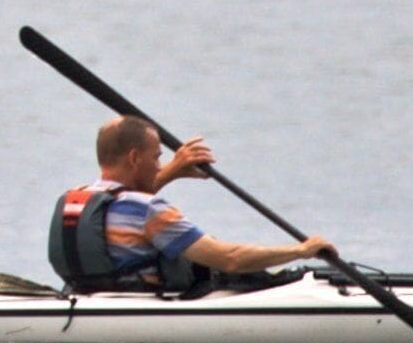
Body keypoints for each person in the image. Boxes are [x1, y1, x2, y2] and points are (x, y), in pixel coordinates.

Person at [48, 114, 335, 295]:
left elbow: (126, 203)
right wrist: (301, 250)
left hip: (83, 295)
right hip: (143, 304)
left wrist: (172, 171)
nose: (160, 165)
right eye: (156, 158)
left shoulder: (76, 199)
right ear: (134, 158)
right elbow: (230, 258)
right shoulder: (148, 210)